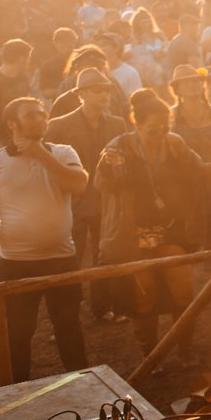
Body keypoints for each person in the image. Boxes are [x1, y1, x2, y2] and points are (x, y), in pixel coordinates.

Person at [0, 97, 90, 382]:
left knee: (69, 326)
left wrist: (41, 155)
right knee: (18, 332)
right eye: (31, 115)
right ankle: (17, 390)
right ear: (12, 123)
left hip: (63, 258)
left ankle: (85, 386)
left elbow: (79, 184)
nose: (40, 119)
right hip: (17, 262)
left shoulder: (62, 152)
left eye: (42, 114)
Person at [95, 89, 211, 356]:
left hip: (170, 228)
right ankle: (150, 353)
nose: (159, 132)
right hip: (131, 230)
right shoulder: (118, 147)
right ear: (137, 124)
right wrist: (106, 167)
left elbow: (202, 172)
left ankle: (185, 348)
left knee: (183, 289)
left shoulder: (174, 143)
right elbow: (100, 185)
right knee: (144, 293)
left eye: (164, 126)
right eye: (152, 128)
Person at [45, 68, 130, 322]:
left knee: (103, 256)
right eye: (97, 90)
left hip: (106, 201)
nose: (104, 95)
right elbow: (47, 166)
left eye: (106, 90)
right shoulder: (58, 126)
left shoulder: (118, 124)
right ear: (81, 94)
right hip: (72, 202)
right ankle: (67, 312)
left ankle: (102, 307)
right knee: (69, 259)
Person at [166, 65, 211, 164]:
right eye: (185, 82)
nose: (191, 85)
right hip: (187, 174)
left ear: (202, 84)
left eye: (195, 80)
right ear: (177, 89)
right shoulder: (170, 117)